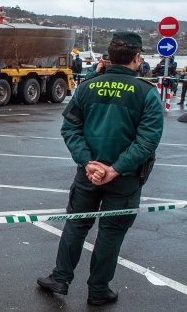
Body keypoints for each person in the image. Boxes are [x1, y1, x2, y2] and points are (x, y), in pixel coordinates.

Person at [36, 32, 163, 306]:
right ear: (137, 57)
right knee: (111, 232)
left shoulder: (87, 87)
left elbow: (70, 128)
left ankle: (60, 277)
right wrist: (115, 169)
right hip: (125, 179)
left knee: (76, 225)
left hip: (88, 174)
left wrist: (88, 162)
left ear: (109, 56)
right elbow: (148, 140)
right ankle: (98, 290)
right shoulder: (146, 92)